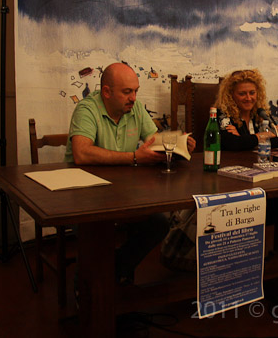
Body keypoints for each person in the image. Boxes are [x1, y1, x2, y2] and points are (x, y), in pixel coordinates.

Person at [64, 62, 196, 284]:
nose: (133, 98)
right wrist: (134, 157)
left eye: (135, 91)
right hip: (83, 194)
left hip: (121, 192)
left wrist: (179, 145)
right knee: (96, 228)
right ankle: (91, 284)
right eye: (127, 92)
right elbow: (82, 153)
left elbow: (154, 141)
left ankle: (110, 274)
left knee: (159, 224)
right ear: (107, 92)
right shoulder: (87, 109)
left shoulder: (134, 108)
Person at [215, 69, 278, 151]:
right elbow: (233, 143)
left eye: (252, 93)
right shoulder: (223, 113)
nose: (248, 98)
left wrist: (244, 140)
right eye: (242, 94)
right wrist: (265, 135)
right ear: (231, 95)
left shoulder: (261, 112)